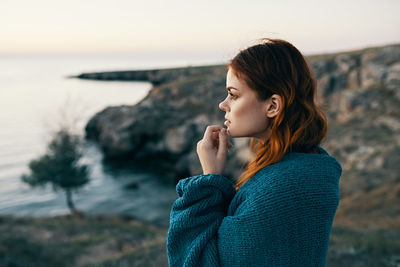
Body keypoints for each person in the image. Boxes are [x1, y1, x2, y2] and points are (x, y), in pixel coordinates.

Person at [167, 38, 342, 267]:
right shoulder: (313, 166)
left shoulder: (274, 192)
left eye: (234, 94)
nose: (223, 104)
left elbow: (194, 261)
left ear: (272, 106)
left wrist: (208, 181)